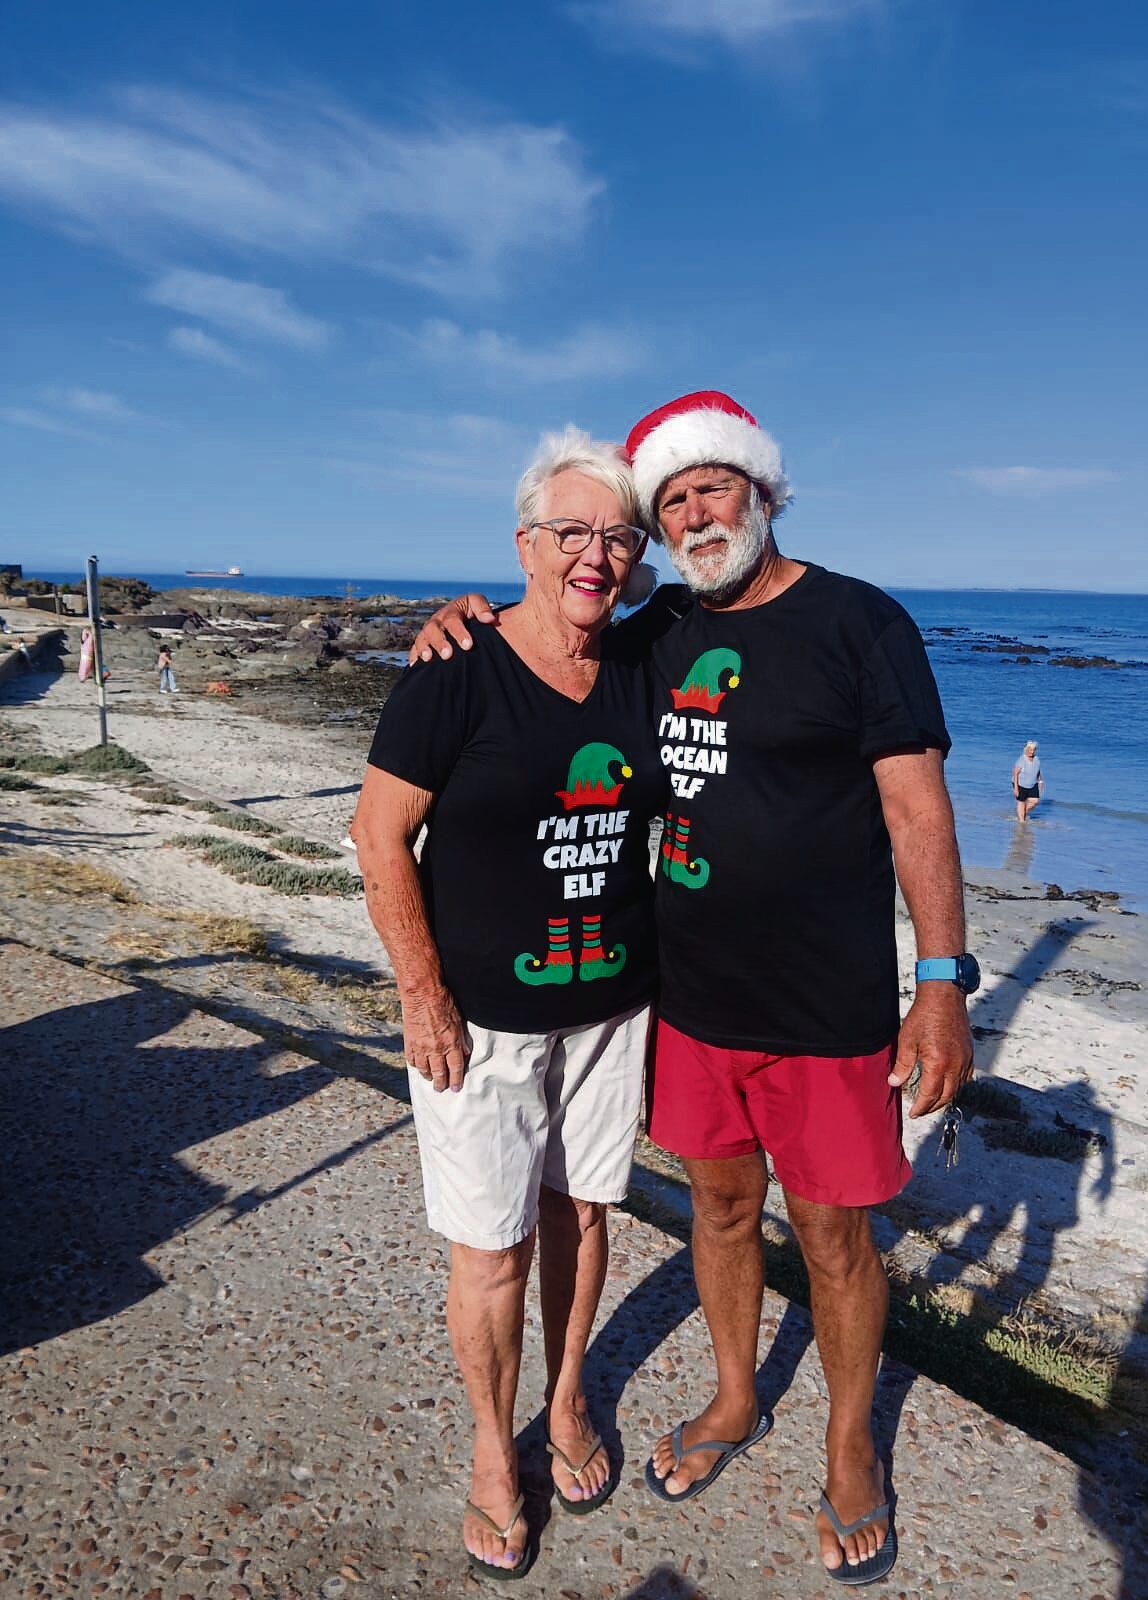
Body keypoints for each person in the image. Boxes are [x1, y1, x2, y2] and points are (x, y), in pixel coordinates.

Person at [412, 391, 977, 1586]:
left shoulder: (861, 622)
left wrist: (939, 982)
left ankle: (847, 1443)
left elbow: (917, 805)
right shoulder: (656, 625)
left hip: (827, 1006)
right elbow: (543, 631)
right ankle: (733, 1398)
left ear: (763, 492)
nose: (692, 513)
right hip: (690, 1003)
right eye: (670, 501)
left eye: (713, 487)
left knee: (833, 1234)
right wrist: (454, 618)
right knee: (721, 1211)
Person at [353, 430, 665, 1582]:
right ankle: (495, 1451)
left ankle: (570, 1395)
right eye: (572, 532)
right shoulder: (453, 668)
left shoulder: (639, 663)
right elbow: (377, 835)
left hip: (611, 1009)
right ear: (527, 543)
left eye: (617, 536)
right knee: (493, 1248)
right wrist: (421, 995)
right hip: (478, 1018)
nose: (596, 554)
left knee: (584, 1216)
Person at [1012, 739, 1044, 820]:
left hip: (1033, 784)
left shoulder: (1037, 759)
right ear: (1026, 749)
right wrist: (1016, 788)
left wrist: (1040, 781)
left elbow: (1037, 770)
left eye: (1033, 749)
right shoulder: (1022, 759)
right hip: (1020, 784)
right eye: (1030, 749)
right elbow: (1015, 773)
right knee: (1021, 802)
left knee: (1035, 801)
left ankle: (1022, 813)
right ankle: (1021, 821)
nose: (1032, 751)